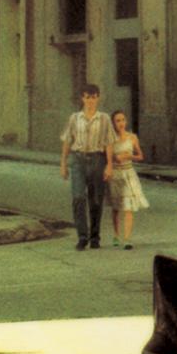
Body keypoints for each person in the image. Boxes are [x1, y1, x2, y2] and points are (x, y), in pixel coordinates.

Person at [59, 83, 113, 249]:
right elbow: (68, 140)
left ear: (98, 98)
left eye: (94, 97)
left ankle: (95, 237)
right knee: (78, 197)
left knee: (96, 200)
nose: (90, 100)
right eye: (87, 97)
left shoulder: (104, 118)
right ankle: (82, 236)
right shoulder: (75, 118)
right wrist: (63, 163)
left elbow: (109, 142)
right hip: (78, 160)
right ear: (82, 98)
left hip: (98, 159)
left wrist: (109, 165)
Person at [107, 108, 149, 248]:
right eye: (117, 120)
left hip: (129, 173)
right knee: (116, 207)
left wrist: (129, 156)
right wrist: (115, 158)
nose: (121, 123)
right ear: (113, 123)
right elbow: (107, 155)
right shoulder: (111, 138)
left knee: (128, 206)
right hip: (116, 174)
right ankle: (116, 235)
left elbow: (140, 156)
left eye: (123, 120)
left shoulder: (132, 137)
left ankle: (128, 239)